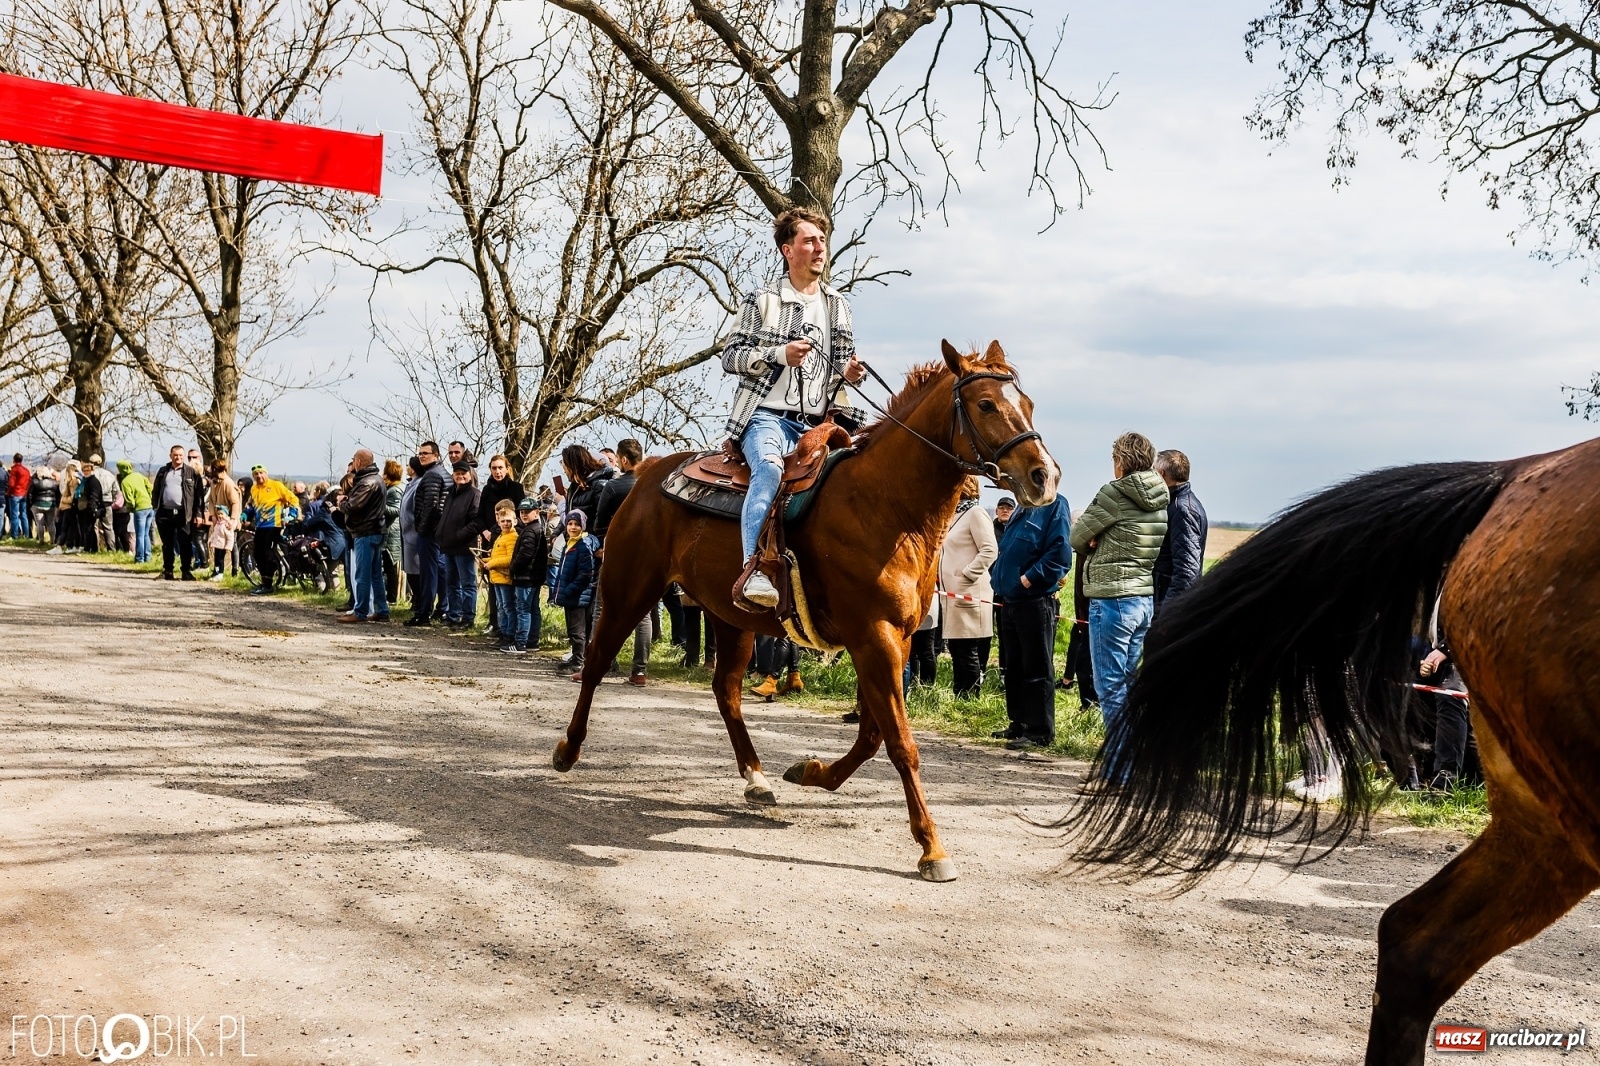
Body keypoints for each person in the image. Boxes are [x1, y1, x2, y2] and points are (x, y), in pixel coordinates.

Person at [720, 206, 868, 607]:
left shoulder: (839, 304)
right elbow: (730, 357)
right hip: (765, 417)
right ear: (788, 250)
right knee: (767, 470)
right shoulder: (764, 299)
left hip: (820, 422)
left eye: (822, 240)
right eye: (809, 241)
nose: (820, 248)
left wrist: (850, 373)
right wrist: (778, 353)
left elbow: (839, 367)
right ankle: (753, 570)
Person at [1069, 432, 1170, 783]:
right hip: (1142, 598)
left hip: (1111, 599)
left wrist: (1096, 540)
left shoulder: (1114, 492)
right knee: (1126, 687)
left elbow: (1077, 538)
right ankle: (1134, 762)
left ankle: (1120, 772)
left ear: (1121, 461)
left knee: (1109, 688)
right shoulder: (1161, 497)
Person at [991, 488, 1072, 750]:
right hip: (1010, 599)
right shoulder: (1023, 506)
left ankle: (1040, 731)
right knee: (1013, 666)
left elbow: (1060, 553)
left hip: (1035, 599)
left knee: (1036, 667)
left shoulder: (1055, 505)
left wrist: (1029, 578)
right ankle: (1019, 723)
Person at [591, 438, 652, 684]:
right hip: (648, 555)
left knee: (601, 609)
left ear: (623, 460)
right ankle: (639, 671)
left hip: (617, 553)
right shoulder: (653, 485)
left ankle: (601, 663)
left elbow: (599, 524)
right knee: (644, 614)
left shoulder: (614, 487)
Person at [940, 477, 999, 699]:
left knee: (967, 648)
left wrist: (966, 574)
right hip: (952, 593)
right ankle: (960, 692)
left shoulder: (976, 513)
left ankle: (970, 695)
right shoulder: (954, 515)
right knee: (956, 648)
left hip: (969, 591)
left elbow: (990, 550)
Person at [1152, 449, 1208, 611]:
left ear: (1161, 474)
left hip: (1167, 605)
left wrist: (1167, 615)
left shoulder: (1182, 509)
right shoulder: (1177, 503)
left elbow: (1187, 570)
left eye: (1153, 471)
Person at [338, 448, 390, 623]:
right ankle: (382, 610)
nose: (352, 464)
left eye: (354, 460)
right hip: (375, 530)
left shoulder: (367, 482)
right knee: (375, 574)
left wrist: (342, 503)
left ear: (359, 462)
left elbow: (353, 506)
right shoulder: (376, 479)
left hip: (365, 531)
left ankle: (360, 611)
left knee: (362, 574)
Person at [476, 454, 523, 636]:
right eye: (494, 468)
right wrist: (485, 531)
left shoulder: (516, 488)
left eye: (500, 468)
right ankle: (494, 621)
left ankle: (510, 627)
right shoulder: (487, 490)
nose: (497, 471)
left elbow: (520, 514)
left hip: (509, 538)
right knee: (493, 582)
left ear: (507, 468)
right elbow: (479, 516)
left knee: (506, 583)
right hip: (491, 539)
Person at [408, 441, 451, 627]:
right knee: (440, 571)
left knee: (429, 573)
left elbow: (431, 506)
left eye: (425, 453)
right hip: (439, 530)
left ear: (436, 455)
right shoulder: (441, 473)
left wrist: (422, 529)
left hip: (430, 531)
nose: (421, 456)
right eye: (420, 453)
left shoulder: (432, 475)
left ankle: (424, 613)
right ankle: (442, 608)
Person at [553, 510, 599, 679]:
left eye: (576, 524)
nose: (572, 527)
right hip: (570, 596)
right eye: (570, 524)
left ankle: (578, 662)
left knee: (577, 631)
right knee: (574, 630)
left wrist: (569, 590)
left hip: (578, 597)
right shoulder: (569, 543)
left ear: (583, 526)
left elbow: (585, 574)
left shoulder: (583, 546)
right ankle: (577, 656)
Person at [437, 460, 482, 629]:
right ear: (453, 475)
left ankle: (468, 618)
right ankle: (453, 615)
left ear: (470, 475)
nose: (460, 476)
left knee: (467, 583)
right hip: (448, 545)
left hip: (463, 546)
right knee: (452, 583)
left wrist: (460, 535)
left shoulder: (474, 494)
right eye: (457, 473)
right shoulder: (451, 493)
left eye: (464, 473)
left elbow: (475, 521)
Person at [151, 445, 205, 579]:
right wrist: (155, 506)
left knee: (185, 543)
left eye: (181, 455)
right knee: (167, 544)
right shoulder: (163, 471)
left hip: (183, 514)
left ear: (184, 456)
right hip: (165, 513)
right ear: (170, 456)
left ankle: (186, 571)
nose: (178, 457)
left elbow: (199, 496)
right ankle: (168, 571)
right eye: (175, 455)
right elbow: (156, 490)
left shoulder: (191, 472)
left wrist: (198, 514)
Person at [247, 465, 300, 595]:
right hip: (260, 525)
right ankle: (264, 580)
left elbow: (293, 499)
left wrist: (292, 514)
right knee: (257, 554)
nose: (259, 476)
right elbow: (253, 506)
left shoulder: (276, 485)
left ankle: (268, 584)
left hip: (274, 524)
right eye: (256, 474)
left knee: (267, 553)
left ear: (266, 473)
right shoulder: (254, 489)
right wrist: (246, 514)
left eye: (261, 473)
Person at [506, 497, 547, 654]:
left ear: (536, 512)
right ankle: (532, 642)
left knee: (524, 610)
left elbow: (525, 554)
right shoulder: (537, 529)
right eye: (522, 512)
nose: (524, 515)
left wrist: (513, 568)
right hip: (534, 577)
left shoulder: (530, 531)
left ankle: (520, 643)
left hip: (526, 577)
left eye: (527, 512)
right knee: (533, 609)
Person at [483, 500, 520, 649]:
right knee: (501, 607)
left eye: (508, 521)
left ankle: (509, 635)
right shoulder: (500, 536)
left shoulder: (512, 537)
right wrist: (485, 560)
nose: (505, 523)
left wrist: (492, 563)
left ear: (514, 521)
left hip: (504, 578)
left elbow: (510, 559)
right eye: (503, 521)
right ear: (498, 522)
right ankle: (503, 633)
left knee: (507, 607)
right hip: (496, 578)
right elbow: (497, 556)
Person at [204, 460, 242, 578]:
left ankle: (234, 571)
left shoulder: (228, 483)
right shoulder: (215, 483)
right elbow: (211, 500)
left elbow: (235, 503)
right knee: (218, 545)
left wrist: (233, 519)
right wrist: (213, 515)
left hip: (228, 519)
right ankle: (217, 571)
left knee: (232, 544)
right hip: (219, 519)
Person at [398, 456, 424, 610]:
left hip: (413, 532)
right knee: (409, 568)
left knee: (416, 569)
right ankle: (416, 598)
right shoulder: (410, 484)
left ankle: (420, 599)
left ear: (413, 468)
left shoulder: (418, 484)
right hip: (406, 533)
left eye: (408, 465)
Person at [116, 460, 154, 561]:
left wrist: (131, 508)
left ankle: (139, 558)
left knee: (140, 535)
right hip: (149, 507)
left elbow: (130, 500)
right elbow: (150, 488)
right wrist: (149, 498)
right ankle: (148, 557)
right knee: (146, 534)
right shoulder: (139, 475)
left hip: (139, 508)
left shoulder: (125, 482)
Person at [381, 459, 404, 607]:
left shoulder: (395, 490)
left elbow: (396, 510)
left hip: (391, 533)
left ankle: (392, 598)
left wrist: (380, 505)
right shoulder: (390, 489)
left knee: (390, 568)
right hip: (388, 531)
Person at [82, 455, 117, 551]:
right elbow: (115, 490)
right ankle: (111, 548)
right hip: (107, 502)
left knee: (93, 526)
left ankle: (94, 548)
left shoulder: (90, 475)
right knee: (108, 527)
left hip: (94, 502)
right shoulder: (109, 474)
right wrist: (112, 499)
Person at [28, 466, 60, 546]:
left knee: (40, 524)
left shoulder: (35, 482)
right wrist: (57, 504)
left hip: (38, 505)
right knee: (51, 523)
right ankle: (52, 540)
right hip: (51, 505)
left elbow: (30, 494)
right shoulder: (54, 483)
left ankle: (41, 540)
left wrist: (31, 504)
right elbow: (57, 495)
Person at [7, 453, 31, 539]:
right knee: (24, 515)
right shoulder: (26, 470)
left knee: (14, 515)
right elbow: (29, 482)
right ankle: (26, 535)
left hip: (15, 494)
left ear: (14, 460)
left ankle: (15, 535)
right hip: (24, 494)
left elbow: (11, 484)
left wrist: (8, 493)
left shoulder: (14, 470)